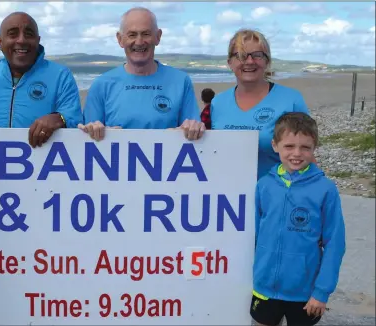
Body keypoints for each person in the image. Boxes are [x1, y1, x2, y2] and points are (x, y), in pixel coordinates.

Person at [251, 112, 346, 326]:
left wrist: (321, 292)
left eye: (305, 147)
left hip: (305, 292)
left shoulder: (326, 190)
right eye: (289, 146)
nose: (297, 153)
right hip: (264, 287)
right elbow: (253, 235)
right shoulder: (264, 185)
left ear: (315, 148)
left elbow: (335, 244)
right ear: (275, 145)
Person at [78, 7, 205, 141]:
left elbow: (193, 131)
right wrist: (95, 130)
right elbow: (87, 140)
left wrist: (193, 128)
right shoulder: (101, 84)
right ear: (120, 39)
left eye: (146, 34)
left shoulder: (180, 81)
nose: (139, 42)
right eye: (132, 34)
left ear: (158, 37)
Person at [0, 12, 83, 148]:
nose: (21, 40)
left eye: (29, 34)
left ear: (38, 40)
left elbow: (75, 118)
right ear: (0, 42)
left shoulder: (61, 75)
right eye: (13, 34)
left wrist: (59, 118)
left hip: (43, 164)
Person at [209, 29, 310, 180]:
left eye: (257, 55)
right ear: (230, 63)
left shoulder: (291, 100)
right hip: (230, 197)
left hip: (278, 195)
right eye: (241, 56)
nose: (250, 61)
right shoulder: (218, 103)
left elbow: (306, 152)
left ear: (267, 61)